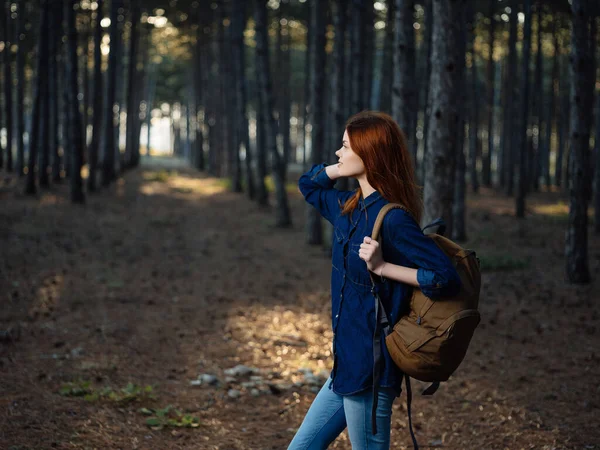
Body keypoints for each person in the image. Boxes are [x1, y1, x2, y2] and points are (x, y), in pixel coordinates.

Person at [288, 111, 461, 450]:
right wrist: (341, 169)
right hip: (346, 365)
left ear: (369, 155)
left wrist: (383, 267)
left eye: (344, 147)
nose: (338, 154)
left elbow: (445, 278)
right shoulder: (347, 207)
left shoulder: (394, 220)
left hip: (371, 370)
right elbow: (308, 185)